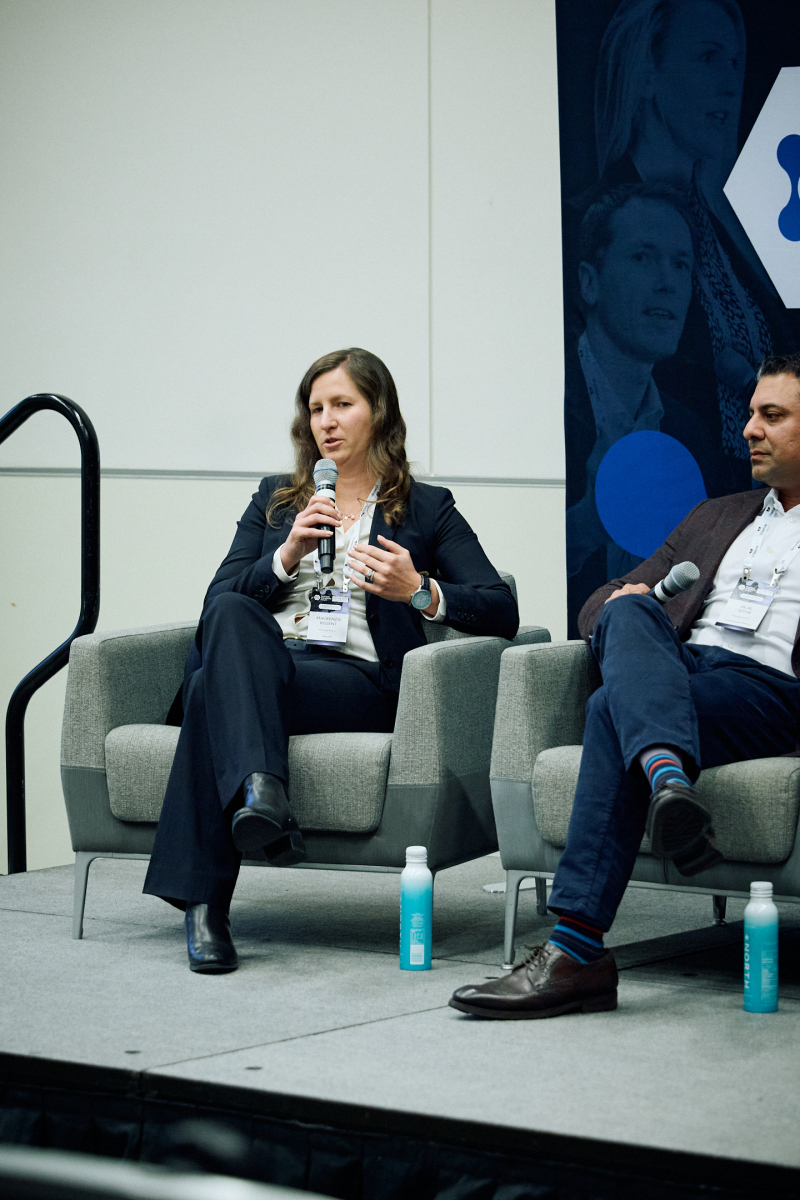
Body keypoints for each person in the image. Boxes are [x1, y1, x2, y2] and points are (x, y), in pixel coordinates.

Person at [143, 347, 519, 973]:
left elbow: (500, 608)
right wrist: (284, 556)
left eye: (343, 404)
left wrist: (419, 590)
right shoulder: (276, 501)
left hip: (357, 680)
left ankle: (213, 891)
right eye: (316, 409)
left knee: (211, 691)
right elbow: (216, 603)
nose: (327, 421)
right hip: (269, 666)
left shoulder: (426, 507)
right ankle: (260, 796)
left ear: (380, 412)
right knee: (231, 616)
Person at [451, 351, 800, 1019]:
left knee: (613, 706)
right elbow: (599, 607)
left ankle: (577, 950)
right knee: (630, 610)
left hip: (766, 690)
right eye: (752, 412)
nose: (750, 428)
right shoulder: (717, 516)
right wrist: (629, 601)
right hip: (679, 670)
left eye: (772, 415)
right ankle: (668, 783)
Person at [564, 0, 797, 499]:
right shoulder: (584, 223)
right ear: (648, 73)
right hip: (659, 499)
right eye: (708, 57)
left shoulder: (724, 232)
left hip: (757, 504)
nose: (729, 82)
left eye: (734, 63)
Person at [566, 182, 718, 626]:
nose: (668, 283)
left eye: (680, 264)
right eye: (642, 258)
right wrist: (587, 523)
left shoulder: (689, 431)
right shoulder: (549, 408)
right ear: (589, 281)